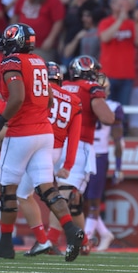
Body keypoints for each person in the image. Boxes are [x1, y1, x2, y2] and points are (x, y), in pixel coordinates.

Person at [0, 23, 84, 262]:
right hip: (44, 133)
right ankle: (71, 230)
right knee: (47, 188)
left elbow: (16, 99)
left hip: (22, 133)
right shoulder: (38, 61)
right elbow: (48, 100)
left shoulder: (11, 63)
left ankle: (5, 245)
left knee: (8, 190)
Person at [14, 61, 83, 257]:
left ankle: (46, 240)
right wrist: (68, 164)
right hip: (56, 150)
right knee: (44, 192)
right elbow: (74, 136)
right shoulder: (73, 100)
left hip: (35, 143)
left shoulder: (37, 92)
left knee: (24, 194)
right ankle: (54, 238)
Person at [53, 55, 116, 252]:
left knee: (73, 199)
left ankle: (83, 241)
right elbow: (108, 118)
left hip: (57, 142)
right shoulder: (91, 89)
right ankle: (50, 240)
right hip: (79, 145)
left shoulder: (62, 86)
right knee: (64, 195)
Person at [87, 73, 124, 252]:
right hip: (83, 153)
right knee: (79, 201)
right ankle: (104, 233)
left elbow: (118, 140)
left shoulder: (113, 107)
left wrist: (118, 166)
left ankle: (86, 238)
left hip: (99, 155)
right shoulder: (85, 102)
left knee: (93, 201)